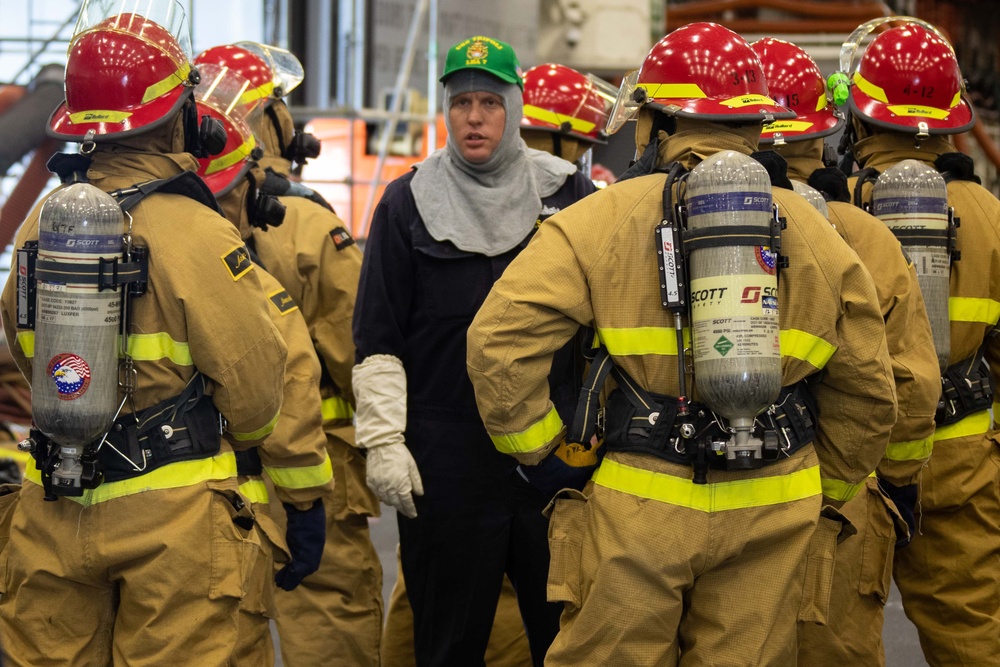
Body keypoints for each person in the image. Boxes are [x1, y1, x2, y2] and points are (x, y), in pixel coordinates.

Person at [466, 22, 898, 666]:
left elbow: (497, 343)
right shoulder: (818, 232)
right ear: (754, 129)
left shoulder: (594, 219)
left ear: (653, 125)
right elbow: (869, 390)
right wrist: (821, 485)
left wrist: (541, 452)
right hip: (775, 503)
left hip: (638, 500)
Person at [0, 3, 287, 665]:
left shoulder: (45, 221)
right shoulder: (198, 231)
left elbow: (21, 337)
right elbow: (255, 386)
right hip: (174, 525)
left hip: (55, 505)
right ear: (174, 112)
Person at [352, 35, 595, 666]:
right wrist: (384, 440)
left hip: (554, 454)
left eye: (490, 101)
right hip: (446, 459)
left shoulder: (568, 197)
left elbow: (604, 331)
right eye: (461, 103)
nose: (475, 117)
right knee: (445, 643)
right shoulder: (407, 204)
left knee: (567, 641)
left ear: (514, 108)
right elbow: (377, 337)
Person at [750, 35, 941, 666]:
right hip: (840, 499)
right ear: (821, 132)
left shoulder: (676, 224)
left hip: (712, 489)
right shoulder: (867, 235)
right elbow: (909, 386)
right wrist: (896, 484)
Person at [194, 43, 384, 667]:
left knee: (211, 624)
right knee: (331, 618)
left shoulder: (164, 216)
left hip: (198, 468)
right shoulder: (305, 222)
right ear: (268, 118)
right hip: (314, 460)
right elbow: (359, 347)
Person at [838, 20, 1000, 666]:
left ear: (862, 116)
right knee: (974, 633)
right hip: (962, 452)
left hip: (860, 460)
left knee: (841, 635)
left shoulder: (837, 213)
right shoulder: (989, 216)